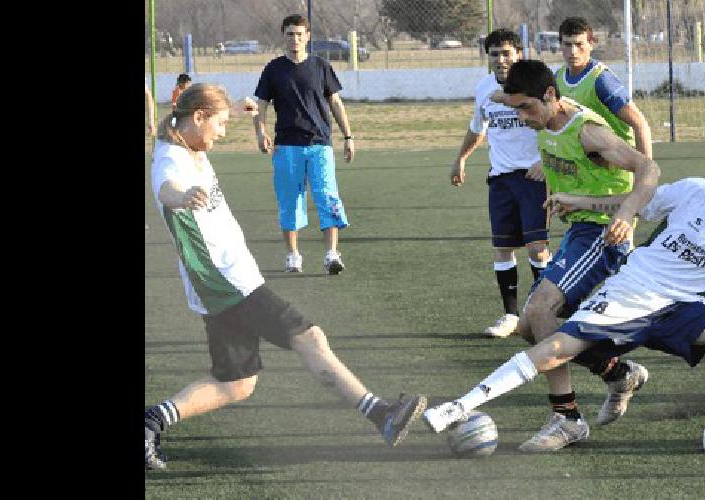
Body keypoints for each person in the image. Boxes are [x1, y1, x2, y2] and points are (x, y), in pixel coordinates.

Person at [424, 156, 705, 454]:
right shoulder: (696, 192)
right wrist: (582, 202)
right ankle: (457, 407)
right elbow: (639, 202)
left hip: (680, 305)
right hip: (631, 290)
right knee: (554, 348)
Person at [146, 83, 426, 470]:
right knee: (307, 336)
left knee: (237, 384)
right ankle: (381, 414)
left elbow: (200, 120)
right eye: (220, 124)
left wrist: (240, 104)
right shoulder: (172, 159)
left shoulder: (186, 142)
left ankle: (151, 421)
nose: (223, 132)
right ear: (197, 118)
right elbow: (165, 188)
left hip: (218, 282)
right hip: (226, 281)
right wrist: (181, 196)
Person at [488, 59, 660, 452]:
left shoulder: (588, 132)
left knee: (539, 310)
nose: (521, 117)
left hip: (602, 234)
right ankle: (617, 372)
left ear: (550, 95)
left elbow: (649, 168)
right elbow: (509, 98)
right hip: (578, 232)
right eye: (515, 109)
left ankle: (566, 418)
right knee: (531, 327)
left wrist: (626, 212)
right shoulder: (542, 118)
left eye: (526, 108)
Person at [452, 28, 551, 338]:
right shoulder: (483, 88)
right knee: (502, 249)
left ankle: (542, 311)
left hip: (533, 177)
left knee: (537, 248)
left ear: (518, 54)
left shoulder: (535, 85)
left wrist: (545, 162)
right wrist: (462, 157)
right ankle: (510, 316)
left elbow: (556, 123)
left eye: (506, 53)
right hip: (500, 180)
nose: (501, 59)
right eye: (494, 54)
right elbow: (477, 128)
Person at [254, 14, 356, 274]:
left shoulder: (321, 66)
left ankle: (332, 254)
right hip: (287, 146)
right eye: (290, 34)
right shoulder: (273, 69)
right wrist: (260, 133)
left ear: (308, 36)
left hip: (320, 145)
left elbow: (335, 103)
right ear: (283, 36)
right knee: (290, 201)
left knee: (327, 197)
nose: (295, 39)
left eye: (300, 34)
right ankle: (293, 256)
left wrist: (348, 137)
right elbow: (261, 105)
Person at [555, 17, 653, 159]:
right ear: (560, 45)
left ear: (591, 44)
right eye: (567, 44)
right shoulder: (558, 78)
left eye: (579, 44)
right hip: (585, 168)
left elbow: (639, 123)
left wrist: (646, 171)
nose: (573, 51)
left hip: (616, 168)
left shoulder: (602, 80)